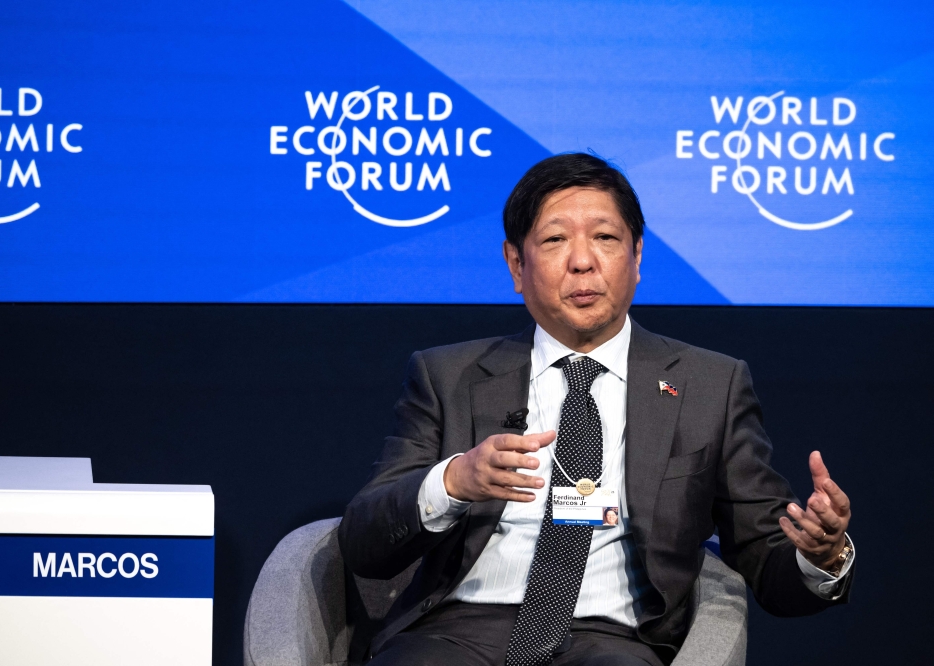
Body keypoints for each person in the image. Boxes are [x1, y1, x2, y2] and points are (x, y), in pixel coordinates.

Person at [338, 153, 854, 666]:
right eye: (555, 239)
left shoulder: (709, 385)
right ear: (517, 265)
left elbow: (765, 552)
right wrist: (454, 481)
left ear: (637, 255)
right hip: (453, 634)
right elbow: (365, 544)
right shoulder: (447, 375)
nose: (583, 261)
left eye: (605, 238)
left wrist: (821, 556)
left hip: (614, 640)